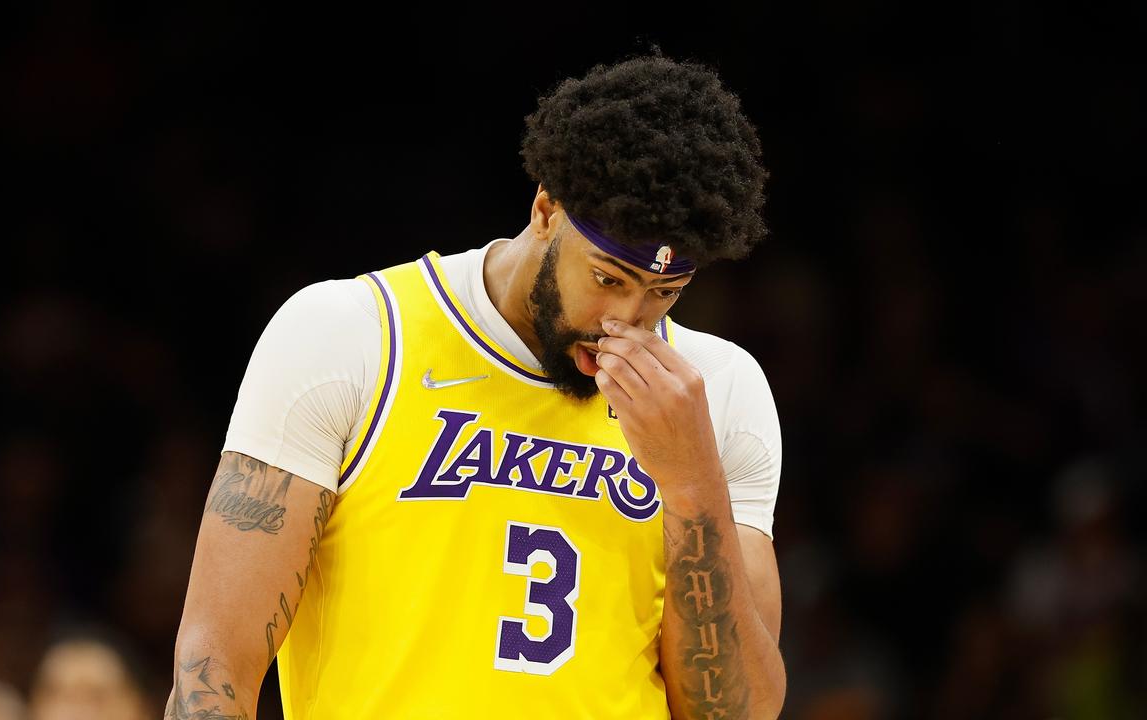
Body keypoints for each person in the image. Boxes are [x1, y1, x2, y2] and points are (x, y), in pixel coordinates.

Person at [167, 52, 785, 719]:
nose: (626, 322)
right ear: (546, 208)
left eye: (663, 292)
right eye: (609, 278)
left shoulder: (717, 392)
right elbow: (213, 673)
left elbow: (738, 713)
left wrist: (693, 485)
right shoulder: (352, 335)